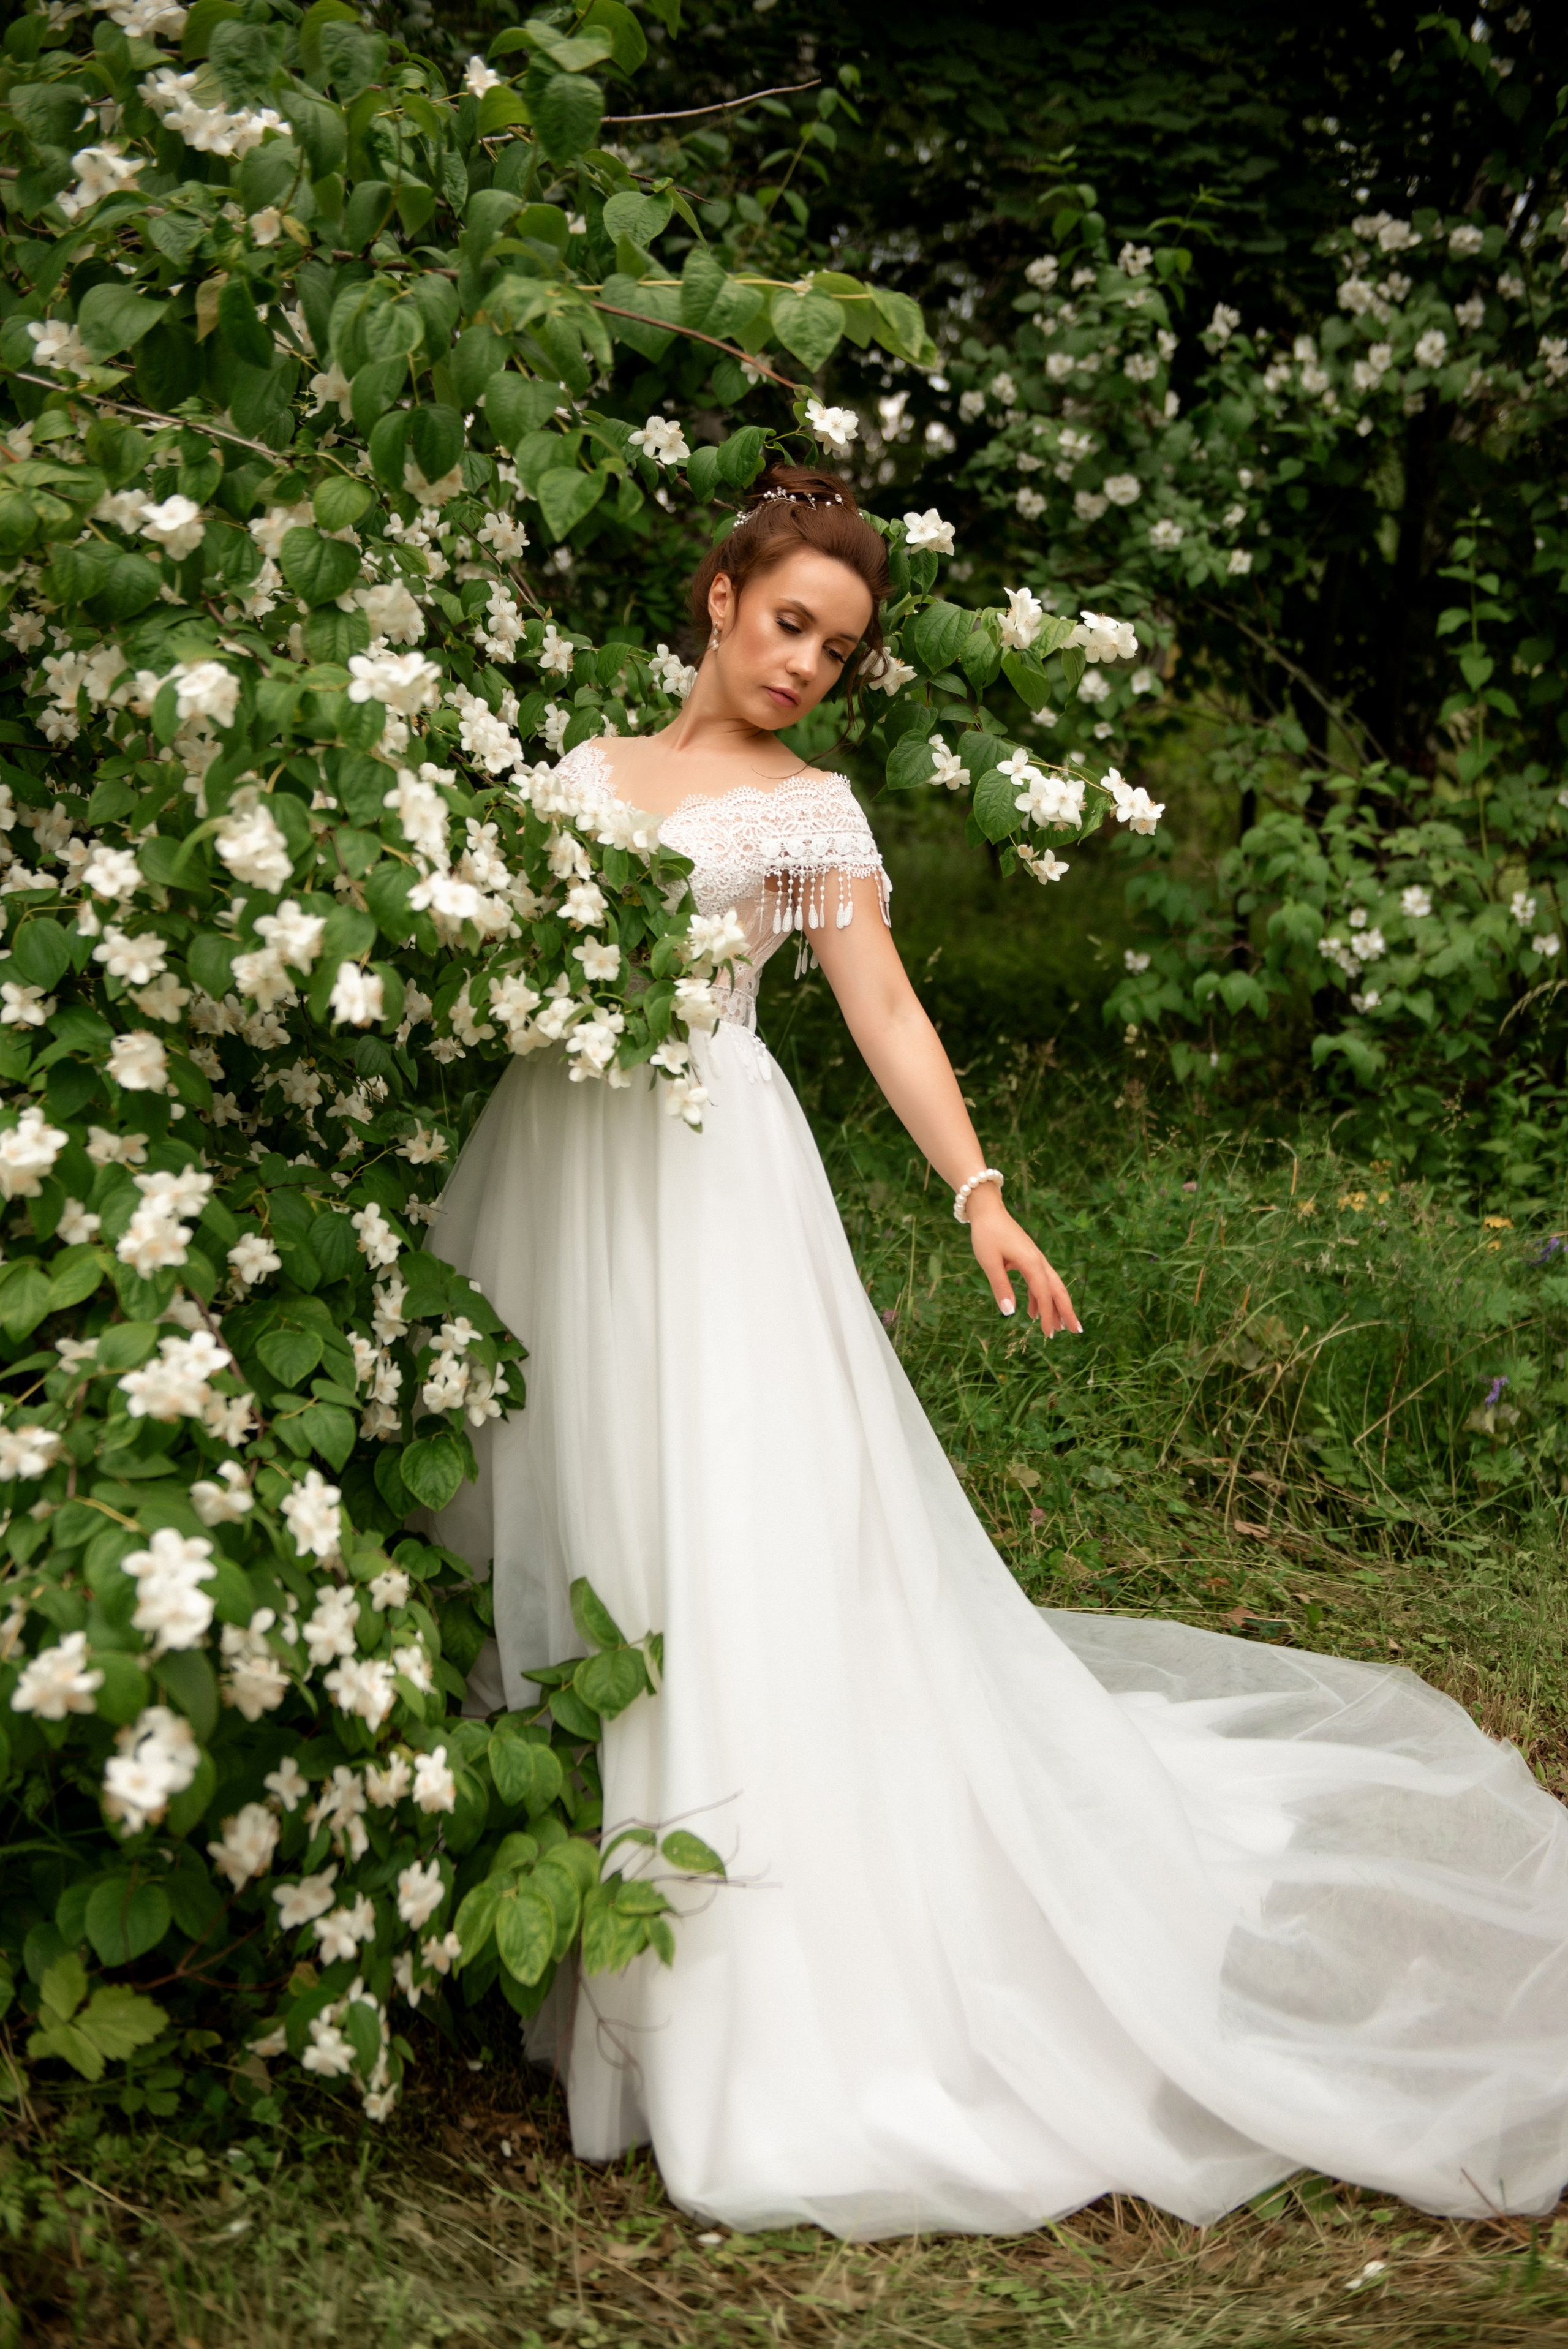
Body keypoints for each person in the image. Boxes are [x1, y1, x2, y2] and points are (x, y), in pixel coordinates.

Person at [431, 464, 1568, 2242]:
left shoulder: (806, 813)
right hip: (549, 1160)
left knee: (723, 1520)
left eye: (843, 647)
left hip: (703, 1173)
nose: (810, 663)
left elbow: (882, 1002)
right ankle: (527, 1876)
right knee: (568, 1484)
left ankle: (729, 1953)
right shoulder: (578, 781)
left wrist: (977, 1189)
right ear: (722, 595)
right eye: (790, 620)